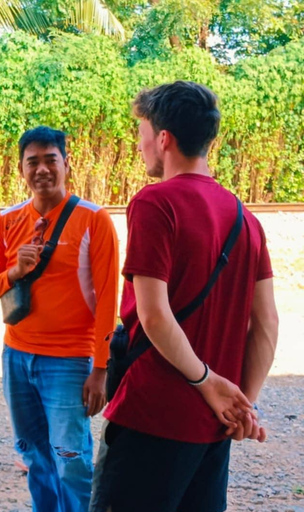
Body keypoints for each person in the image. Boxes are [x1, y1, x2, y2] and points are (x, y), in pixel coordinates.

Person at [93, 81, 279, 512]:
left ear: (163, 139)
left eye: (141, 133)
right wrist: (240, 404)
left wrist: (207, 381)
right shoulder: (244, 218)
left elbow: (154, 315)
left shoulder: (155, 204)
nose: (139, 145)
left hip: (151, 416)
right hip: (213, 429)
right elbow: (266, 324)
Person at [0, 126, 119, 512]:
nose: (42, 169)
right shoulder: (6, 222)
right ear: (21, 169)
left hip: (70, 361)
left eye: (50, 160)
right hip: (17, 357)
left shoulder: (94, 220)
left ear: (66, 164)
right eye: (32, 162)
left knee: (71, 458)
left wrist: (101, 368)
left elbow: (108, 299)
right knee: (33, 453)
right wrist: (14, 273)